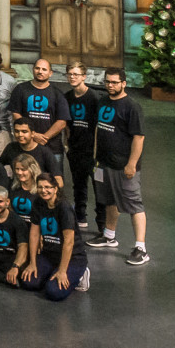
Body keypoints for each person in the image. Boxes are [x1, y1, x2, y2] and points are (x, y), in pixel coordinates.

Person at [91, 66, 149, 264]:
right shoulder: (103, 102)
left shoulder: (132, 107)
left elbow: (139, 138)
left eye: (115, 82)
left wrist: (131, 164)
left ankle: (141, 248)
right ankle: (109, 235)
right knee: (109, 200)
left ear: (124, 83)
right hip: (103, 163)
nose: (110, 85)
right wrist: (95, 156)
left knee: (134, 204)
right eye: (108, 81)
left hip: (123, 166)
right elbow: (100, 130)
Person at [22, 175, 91, 300]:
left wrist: (63, 271)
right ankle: (52, 271)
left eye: (48, 187)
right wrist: (32, 263)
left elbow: (69, 242)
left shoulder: (64, 207)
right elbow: (34, 234)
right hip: (49, 254)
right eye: (40, 187)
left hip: (73, 257)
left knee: (54, 292)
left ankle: (81, 274)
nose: (44, 191)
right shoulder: (38, 202)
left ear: (55, 188)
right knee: (29, 282)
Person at [62, 63, 102, 228]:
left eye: (76, 74)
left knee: (99, 187)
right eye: (70, 74)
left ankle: (102, 225)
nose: (72, 77)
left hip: (92, 152)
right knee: (78, 184)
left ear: (84, 76)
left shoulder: (94, 98)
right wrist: (67, 144)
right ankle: (80, 216)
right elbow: (65, 122)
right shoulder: (67, 97)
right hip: (75, 148)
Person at [9, 57, 71, 156]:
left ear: (50, 73)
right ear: (33, 70)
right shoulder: (20, 89)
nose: (40, 71)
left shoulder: (58, 94)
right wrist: (33, 135)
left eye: (44, 69)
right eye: (37, 68)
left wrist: (43, 138)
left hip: (52, 148)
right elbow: (16, 113)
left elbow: (62, 122)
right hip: (26, 147)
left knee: (55, 172)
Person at [0, 119, 64, 190]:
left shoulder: (44, 151)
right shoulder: (11, 148)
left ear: (33, 134)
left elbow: (59, 180)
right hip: (17, 190)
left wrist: (46, 190)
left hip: (38, 192)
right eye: (17, 131)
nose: (20, 134)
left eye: (24, 132)